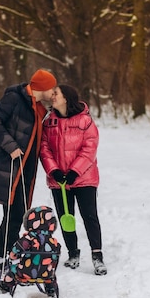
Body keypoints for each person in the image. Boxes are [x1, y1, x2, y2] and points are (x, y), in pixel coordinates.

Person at [0, 69, 57, 275]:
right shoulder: (14, 99)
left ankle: (11, 256)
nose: (54, 91)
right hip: (9, 166)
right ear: (41, 87)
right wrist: (11, 146)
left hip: (27, 169)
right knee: (12, 216)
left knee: (19, 215)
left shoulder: (41, 106)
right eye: (51, 87)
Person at [40, 84, 107, 275]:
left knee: (89, 216)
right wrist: (54, 171)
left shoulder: (84, 121)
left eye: (56, 94)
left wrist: (74, 172)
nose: (52, 96)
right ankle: (73, 254)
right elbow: (44, 149)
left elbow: (90, 148)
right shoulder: (49, 122)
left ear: (66, 98)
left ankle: (97, 256)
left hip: (84, 177)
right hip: (59, 181)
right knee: (65, 217)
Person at [0, 206, 61, 298]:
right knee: (51, 275)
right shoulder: (53, 241)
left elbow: (17, 248)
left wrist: (13, 255)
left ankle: (6, 285)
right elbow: (56, 255)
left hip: (25, 271)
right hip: (46, 273)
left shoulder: (29, 238)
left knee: (12, 271)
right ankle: (50, 288)